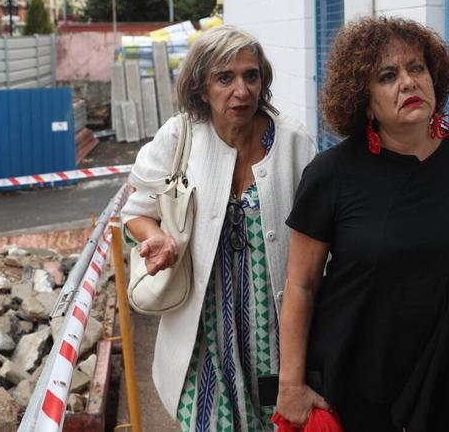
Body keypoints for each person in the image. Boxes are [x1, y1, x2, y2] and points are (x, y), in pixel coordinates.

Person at [276, 17, 449, 431]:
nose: (408, 83)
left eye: (417, 68)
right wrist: (291, 383)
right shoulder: (332, 174)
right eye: (387, 76)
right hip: (363, 377)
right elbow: (301, 284)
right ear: (363, 98)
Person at [122, 25, 316, 430]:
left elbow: (320, 235)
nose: (241, 90)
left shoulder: (293, 141)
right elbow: (135, 211)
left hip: (276, 338)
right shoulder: (180, 137)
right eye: (225, 78)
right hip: (203, 336)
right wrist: (157, 238)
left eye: (251, 75)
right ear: (201, 87)